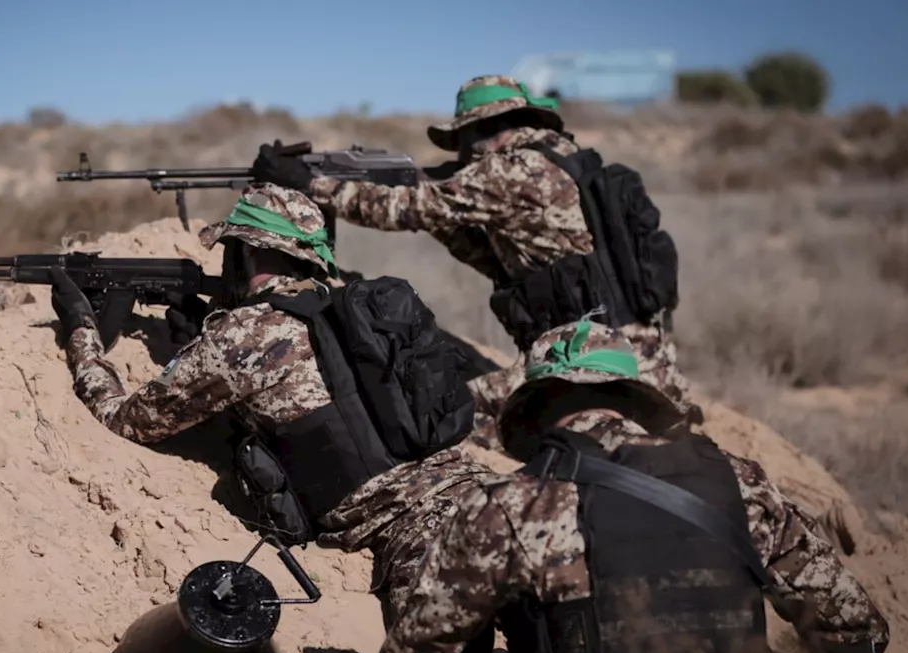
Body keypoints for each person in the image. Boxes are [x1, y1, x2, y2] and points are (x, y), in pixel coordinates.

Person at [372, 319, 908, 653]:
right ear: (635, 401)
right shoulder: (741, 482)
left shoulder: (506, 507)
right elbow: (853, 626)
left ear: (533, 412)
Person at [48, 182, 505, 629]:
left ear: (245, 252)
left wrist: (81, 331)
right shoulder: (345, 310)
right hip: (490, 497)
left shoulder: (246, 334)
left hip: (422, 533)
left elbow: (126, 421)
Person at [248, 75, 695, 448]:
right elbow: (495, 262)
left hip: (592, 366)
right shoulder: (565, 164)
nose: (462, 157)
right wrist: (438, 213)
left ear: (487, 130)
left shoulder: (512, 170)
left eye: (463, 142)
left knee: (447, 411)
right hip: (639, 358)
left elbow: (405, 209)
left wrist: (311, 184)